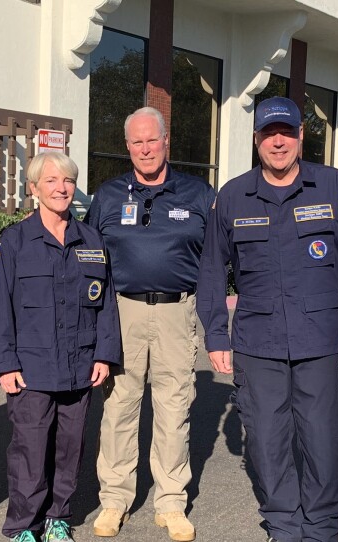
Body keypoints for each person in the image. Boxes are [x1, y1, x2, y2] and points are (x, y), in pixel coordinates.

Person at [197, 96, 338, 542]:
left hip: (323, 343)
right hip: (258, 345)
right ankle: (283, 526)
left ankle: (320, 530)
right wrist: (217, 336)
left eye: (287, 132)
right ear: (256, 139)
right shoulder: (234, 196)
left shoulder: (333, 187)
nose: (278, 142)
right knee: (265, 441)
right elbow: (211, 270)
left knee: (323, 441)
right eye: (268, 134)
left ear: (301, 136)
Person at [85, 106, 216, 542]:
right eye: (136, 142)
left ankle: (171, 502)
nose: (144, 148)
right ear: (128, 147)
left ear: (166, 142)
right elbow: (88, 258)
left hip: (178, 312)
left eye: (151, 140)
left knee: (173, 409)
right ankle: (115, 500)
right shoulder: (107, 195)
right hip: (122, 311)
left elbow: (218, 259)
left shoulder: (197, 193)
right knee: (119, 408)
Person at [0, 151, 121, 542]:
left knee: (69, 448)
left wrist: (103, 354)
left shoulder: (91, 240)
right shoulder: (14, 241)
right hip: (31, 368)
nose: (61, 188)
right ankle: (23, 525)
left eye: (67, 180)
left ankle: (57, 517)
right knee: (29, 451)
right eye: (51, 181)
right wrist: (5, 363)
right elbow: (0, 307)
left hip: (80, 363)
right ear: (34, 189)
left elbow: (106, 303)